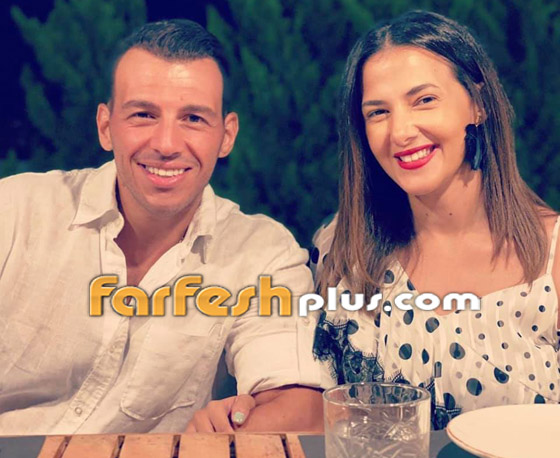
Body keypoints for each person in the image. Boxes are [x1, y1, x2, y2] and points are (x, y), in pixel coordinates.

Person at [0, 19, 323, 435]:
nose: (166, 144)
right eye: (143, 115)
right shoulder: (15, 210)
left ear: (226, 136)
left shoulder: (262, 253)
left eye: (193, 118)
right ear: (105, 127)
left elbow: (300, 408)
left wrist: (233, 429)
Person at [311, 11, 560, 430]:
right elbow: (314, 412)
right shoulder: (341, 248)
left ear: (478, 104)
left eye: (424, 100)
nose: (400, 132)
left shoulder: (553, 254)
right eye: (378, 112)